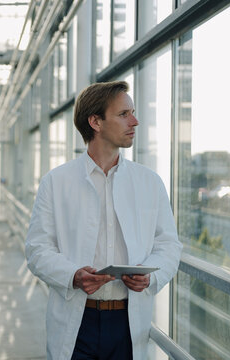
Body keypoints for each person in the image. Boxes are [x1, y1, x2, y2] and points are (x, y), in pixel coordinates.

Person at [25, 81, 182, 360]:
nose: (134, 121)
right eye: (123, 114)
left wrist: (151, 276)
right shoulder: (56, 182)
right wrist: (73, 276)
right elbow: (38, 249)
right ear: (95, 122)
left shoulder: (150, 182)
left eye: (132, 112)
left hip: (128, 324)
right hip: (77, 322)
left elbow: (169, 244)